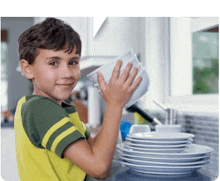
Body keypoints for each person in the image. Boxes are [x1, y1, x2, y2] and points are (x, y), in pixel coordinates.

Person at [14, 17, 142, 181]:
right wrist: (114, 104)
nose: (67, 73)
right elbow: (99, 167)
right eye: (53, 63)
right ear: (27, 69)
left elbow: (94, 149)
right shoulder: (40, 108)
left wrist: (113, 100)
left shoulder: (50, 108)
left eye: (73, 62)